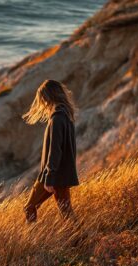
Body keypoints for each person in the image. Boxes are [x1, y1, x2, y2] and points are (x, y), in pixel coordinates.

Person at [23, 79, 79, 222]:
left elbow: (55, 150)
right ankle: (81, 241)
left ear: (48, 97)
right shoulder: (66, 115)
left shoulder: (57, 118)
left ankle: (32, 240)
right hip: (61, 174)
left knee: (29, 207)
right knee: (66, 212)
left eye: (43, 98)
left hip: (53, 175)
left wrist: (50, 177)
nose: (42, 102)